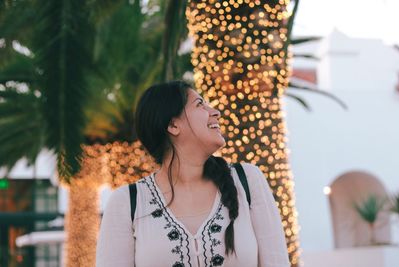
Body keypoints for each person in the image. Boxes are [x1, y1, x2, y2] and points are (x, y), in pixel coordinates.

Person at [96, 80, 290, 267]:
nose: (215, 112)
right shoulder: (128, 202)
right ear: (173, 125)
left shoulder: (247, 181)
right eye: (200, 105)